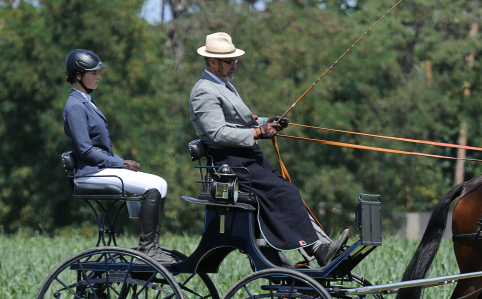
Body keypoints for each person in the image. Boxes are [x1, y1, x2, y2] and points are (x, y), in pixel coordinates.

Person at [188, 32, 348, 267]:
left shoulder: (224, 85)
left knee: (288, 190)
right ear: (213, 62)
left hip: (246, 158)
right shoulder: (204, 91)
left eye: (235, 61)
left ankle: (323, 246)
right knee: (285, 193)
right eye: (229, 61)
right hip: (230, 164)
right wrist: (257, 133)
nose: (234, 66)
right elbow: (217, 133)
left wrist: (266, 122)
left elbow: (240, 119)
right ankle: (318, 249)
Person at [63, 49, 174, 264]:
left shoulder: (86, 101)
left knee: (160, 184)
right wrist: (120, 163)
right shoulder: (75, 105)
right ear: (78, 76)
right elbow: (86, 150)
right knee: (154, 185)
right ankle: (148, 250)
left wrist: (120, 164)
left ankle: (152, 246)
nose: (98, 76)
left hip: (99, 169)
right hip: (89, 173)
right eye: (93, 73)